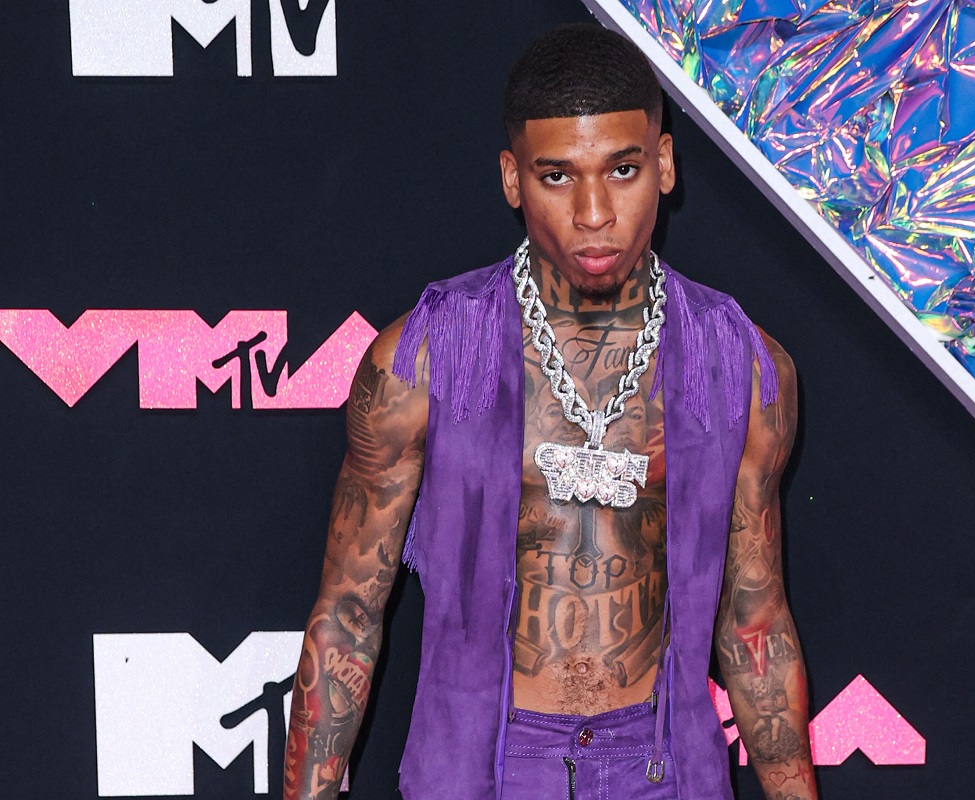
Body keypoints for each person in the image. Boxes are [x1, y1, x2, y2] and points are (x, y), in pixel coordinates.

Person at [282, 23, 817, 800]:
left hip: (664, 767)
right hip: (482, 769)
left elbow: (755, 623)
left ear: (665, 164)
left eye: (623, 169)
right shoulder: (424, 358)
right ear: (513, 179)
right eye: (558, 176)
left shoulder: (742, 364)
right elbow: (349, 614)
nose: (594, 212)